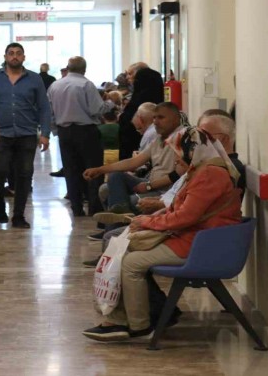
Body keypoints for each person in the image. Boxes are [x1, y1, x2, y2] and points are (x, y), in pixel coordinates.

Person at [82, 126, 242, 342]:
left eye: (178, 154)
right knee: (122, 254)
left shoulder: (209, 174)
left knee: (130, 263)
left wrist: (147, 221)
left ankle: (139, 325)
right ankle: (122, 320)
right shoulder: (205, 170)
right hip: (196, 238)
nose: (176, 160)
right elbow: (183, 210)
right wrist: (154, 218)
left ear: (192, 151)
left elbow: (185, 217)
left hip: (199, 245)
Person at [0, 42, 51, 228]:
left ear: (23, 57)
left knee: (24, 174)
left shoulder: (34, 79)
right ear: (5, 57)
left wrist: (45, 133)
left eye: (18, 53)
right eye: (11, 53)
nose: (14, 56)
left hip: (26, 133)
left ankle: (19, 215)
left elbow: (44, 107)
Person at [84, 102, 182, 216]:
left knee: (128, 201)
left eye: (161, 117)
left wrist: (149, 186)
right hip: (151, 183)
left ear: (175, 119)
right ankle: (120, 214)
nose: (155, 122)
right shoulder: (159, 139)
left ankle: (118, 219)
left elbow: (179, 174)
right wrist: (100, 170)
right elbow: (134, 162)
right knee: (114, 177)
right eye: (154, 118)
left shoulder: (183, 138)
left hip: (167, 190)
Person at [47, 56, 115, 217]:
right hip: (86, 131)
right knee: (93, 169)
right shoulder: (86, 84)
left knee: (71, 170)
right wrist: (111, 103)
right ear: (84, 69)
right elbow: (96, 109)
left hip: (64, 132)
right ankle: (94, 207)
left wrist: (57, 131)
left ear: (68, 67)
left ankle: (76, 207)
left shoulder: (55, 86)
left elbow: (50, 113)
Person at [118, 63, 164, 160]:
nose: (127, 77)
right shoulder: (153, 96)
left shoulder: (140, 100)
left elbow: (129, 121)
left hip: (135, 150)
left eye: (130, 74)